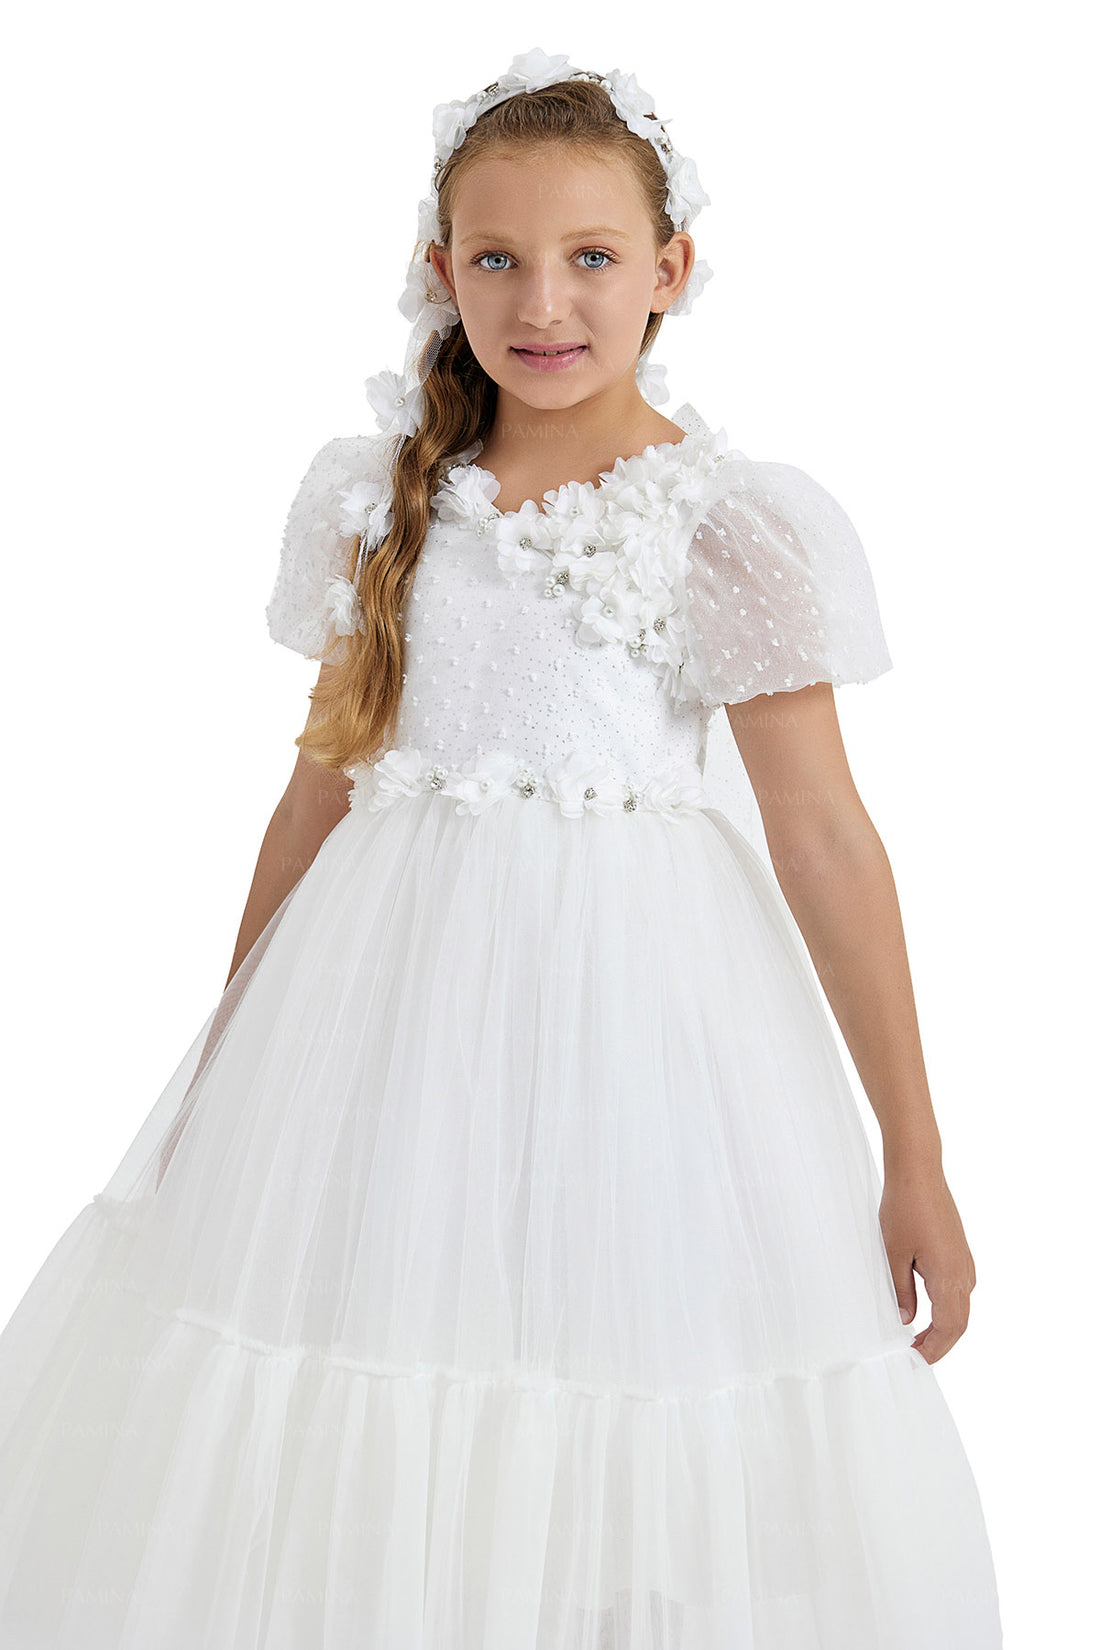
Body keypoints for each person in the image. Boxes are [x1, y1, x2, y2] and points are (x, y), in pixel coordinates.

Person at [0, 45, 1003, 1649]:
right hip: (391, 1043)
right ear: (440, 267)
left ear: (670, 269)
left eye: (593, 256)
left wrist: (917, 1153)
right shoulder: (381, 504)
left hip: (645, 1054)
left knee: (627, 1379)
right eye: (499, 258)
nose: (545, 301)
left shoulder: (727, 522)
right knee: (385, 1371)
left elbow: (824, 836)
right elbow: (314, 800)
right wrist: (229, 1063)